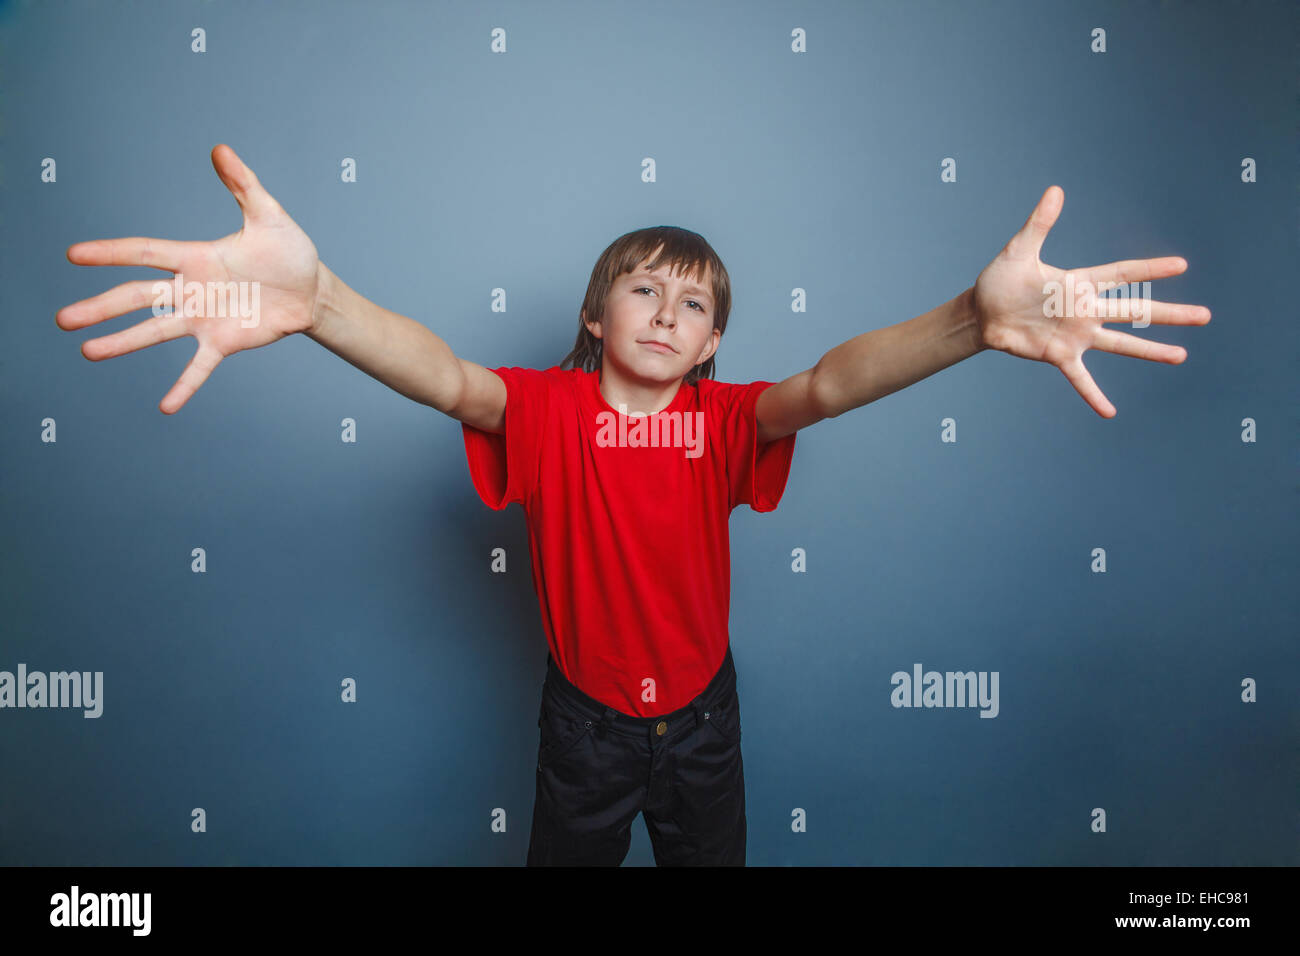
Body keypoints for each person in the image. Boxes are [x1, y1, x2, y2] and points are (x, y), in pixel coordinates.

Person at [56, 144, 1212, 866]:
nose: (668, 312)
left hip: (705, 725)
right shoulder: (544, 411)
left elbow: (832, 381)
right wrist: (319, 301)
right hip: (587, 729)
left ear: (714, 342)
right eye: (643, 288)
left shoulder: (724, 422)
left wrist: (971, 318)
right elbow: (444, 371)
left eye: (695, 303)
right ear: (598, 315)